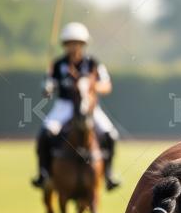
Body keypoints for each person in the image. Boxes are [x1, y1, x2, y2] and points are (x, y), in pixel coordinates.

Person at [31, 22, 121, 191]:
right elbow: (48, 89)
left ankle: (109, 174)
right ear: (65, 45)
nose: (73, 47)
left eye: (77, 43)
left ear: (83, 44)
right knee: (45, 133)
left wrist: (92, 86)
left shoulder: (93, 63)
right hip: (64, 106)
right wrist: (47, 86)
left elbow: (107, 85)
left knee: (111, 135)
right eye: (69, 43)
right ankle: (43, 173)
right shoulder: (58, 65)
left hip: (89, 107)